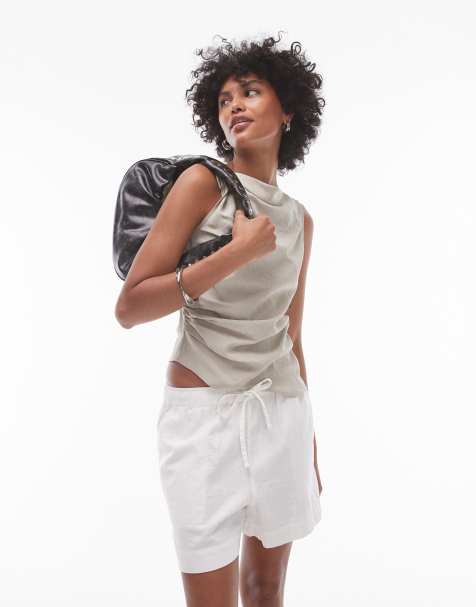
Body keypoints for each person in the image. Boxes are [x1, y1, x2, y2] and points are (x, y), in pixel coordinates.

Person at [115, 33, 326, 607]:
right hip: (204, 417)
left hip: (281, 411)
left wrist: (307, 442)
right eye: (225, 99)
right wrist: (235, 253)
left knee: (265, 591)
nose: (234, 105)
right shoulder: (201, 184)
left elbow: (292, 335)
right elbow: (130, 306)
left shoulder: (300, 220)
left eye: (250, 92)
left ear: (287, 110)